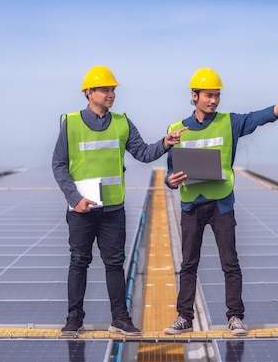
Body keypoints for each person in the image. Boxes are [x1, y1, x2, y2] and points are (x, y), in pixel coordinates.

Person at [163, 67, 278, 336]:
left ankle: (235, 317)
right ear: (195, 96)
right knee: (189, 264)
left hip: (221, 204)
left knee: (229, 262)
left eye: (217, 96)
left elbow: (259, 117)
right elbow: (170, 169)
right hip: (191, 205)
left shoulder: (229, 122)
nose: (214, 100)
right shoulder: (176, 129)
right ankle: (184, 317)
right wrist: (170, 181)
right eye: (209, 95)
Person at [52, 65, 187, 336]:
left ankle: (120, 319)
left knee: (115, 264)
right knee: (79, 261)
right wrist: (74, 198)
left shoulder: (122, 122)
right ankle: (74, 318)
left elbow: (144, 153)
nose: (111, 94)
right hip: (81, 209)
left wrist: (165, 142)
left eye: (113, 89)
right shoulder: (71, 123)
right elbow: (59, 164)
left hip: (113, 209)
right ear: (89, 93)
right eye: (105, 89)